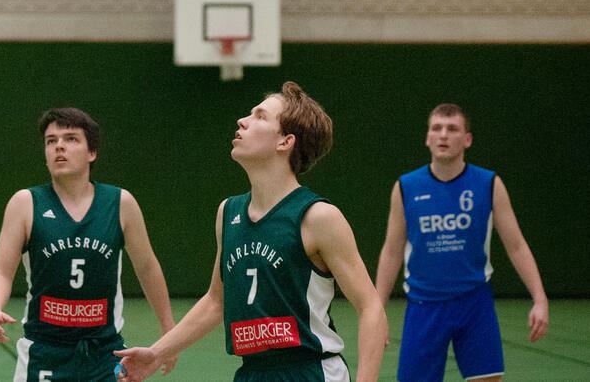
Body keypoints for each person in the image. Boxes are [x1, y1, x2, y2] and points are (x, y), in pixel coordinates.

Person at [115, 82, 387, 382]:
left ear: (285, 141)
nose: (242, 121)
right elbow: (216, 301)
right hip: (252, 373)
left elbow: (370, 307)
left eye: (260, 116)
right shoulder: (228, 212)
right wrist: (158, 352)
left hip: (310, 371)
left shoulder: (317, 217)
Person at [0, 107, 178, 382]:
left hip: (105, 355)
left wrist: (169, 332)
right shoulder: (25, 203)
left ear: (92, 152)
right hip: (43, 352)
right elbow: (2, 272)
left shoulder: (120, 203)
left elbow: (147, 268)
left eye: (71, 139)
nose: (59, 146)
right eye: (51, 141)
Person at [373, 103, 548, 382]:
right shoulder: (406, 187)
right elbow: (392, 252)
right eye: (436, 128)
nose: (443, 135)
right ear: (427, 138)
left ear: (467, 139)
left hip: (474, 303)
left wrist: (539, 298)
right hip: (424, 304)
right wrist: (377, 310)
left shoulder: (489, 183)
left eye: (452, 129)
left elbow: (516, 245)